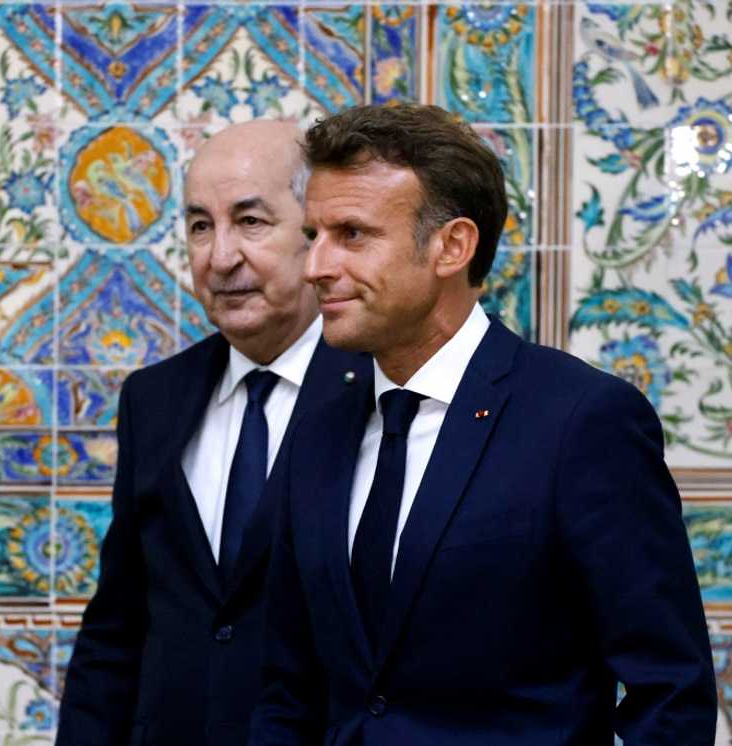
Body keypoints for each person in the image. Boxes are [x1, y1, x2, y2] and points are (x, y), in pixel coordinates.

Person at [250, 104, 716, 745]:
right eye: (314, 235)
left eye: (352, 234)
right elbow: (288, 688)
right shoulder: (317, 429)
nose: (315, 267)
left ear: (453, 246)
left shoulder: (582, 421)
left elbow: (671, 693)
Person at [56, 120, 366, 746]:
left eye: (250, 222)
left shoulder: (379, 392)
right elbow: (118, 627)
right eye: (201, 227)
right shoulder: (154, 399)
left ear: (315, 234)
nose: (220, 257)